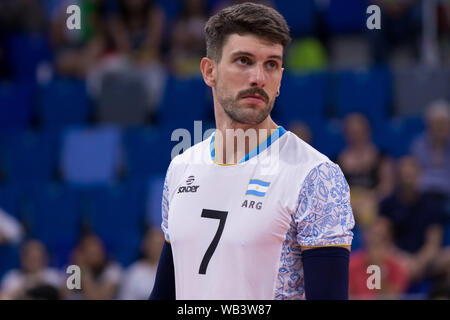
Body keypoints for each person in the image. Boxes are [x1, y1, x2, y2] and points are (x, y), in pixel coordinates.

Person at [150, 3, 355, 300]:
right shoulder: (181, 169)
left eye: (271, 64)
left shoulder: (314, 176)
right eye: (244, 60)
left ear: (280, 79)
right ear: (210, 71)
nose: (259, 77)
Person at [66, 233, 122, 300]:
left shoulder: (114, 269)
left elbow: (96, 298)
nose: (96, 255)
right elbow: (64, 295)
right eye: (91, 253)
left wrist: (84, 271)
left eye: (98, 251)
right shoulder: (74, 269)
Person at [119, 227, 164, 300]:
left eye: (160, 244)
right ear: (145, 245)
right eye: (153, 243)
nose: (156, 248)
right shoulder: (134, 272)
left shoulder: (173, 272)